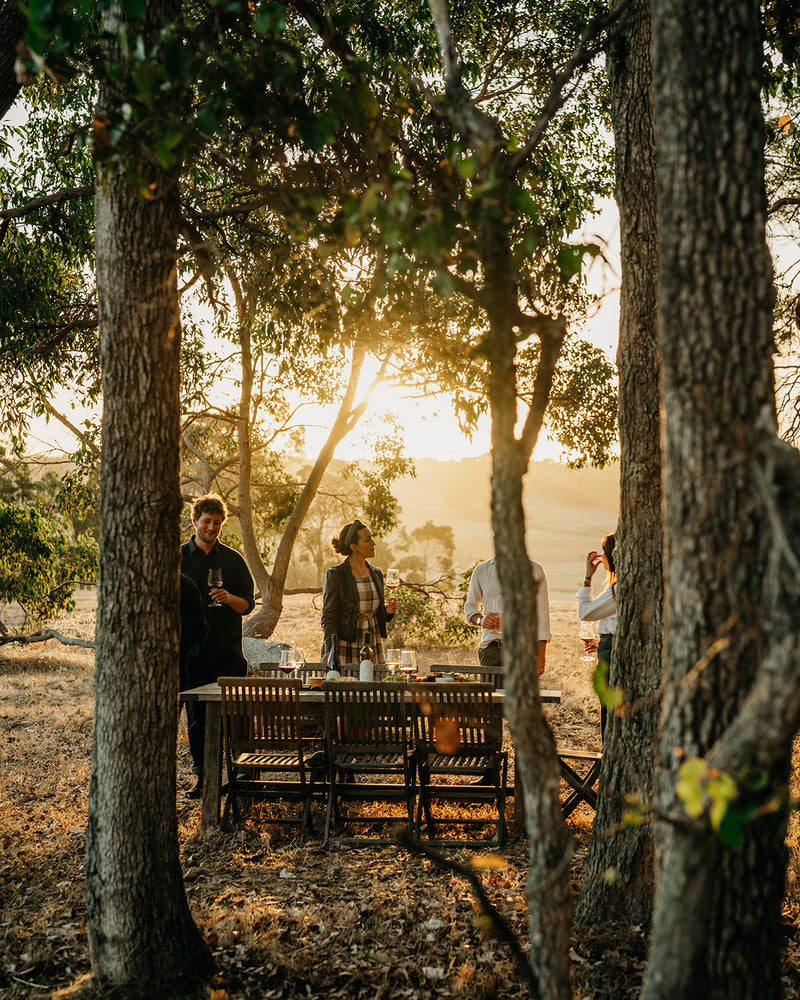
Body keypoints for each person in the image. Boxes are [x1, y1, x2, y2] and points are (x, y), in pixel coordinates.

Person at [181, 493, 255, 797]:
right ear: (195, 520)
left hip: (228, 652)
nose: (212, 527)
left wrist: (228, 599)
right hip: (192, 656)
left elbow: (248, 605)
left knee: (238, 715)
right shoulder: (178, 557)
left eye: (217, 523)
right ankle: (203, 776)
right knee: (197, 719)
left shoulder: (233, 560)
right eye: (207, 521)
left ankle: (243, 773)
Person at [321, 519, 398, 665]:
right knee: (345, 684)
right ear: (353, 546)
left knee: (374, 686)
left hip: (373, 644)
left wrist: (387, 611)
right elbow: (329, 615)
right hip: (345, 646)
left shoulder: (376, 573)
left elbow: (377, 613)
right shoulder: (336, 575)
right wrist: (330, 648)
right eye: (367, 540)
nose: (373, 543)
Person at [464, 556, 551, 674]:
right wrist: (481, 620)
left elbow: (542, 614)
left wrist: (541, 654)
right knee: (491, 692)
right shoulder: (482, 570)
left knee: (520, 693)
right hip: (491, 651)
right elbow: (470, 606)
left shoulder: (535, 570)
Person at [576, 531, 617, 738]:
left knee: (608, 709)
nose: (601, 558)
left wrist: (588, 577)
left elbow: (585, 613)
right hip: (609, 646)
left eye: (604, 553)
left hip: (611, 653)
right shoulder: (618, 587)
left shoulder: (618, 589)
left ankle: (609, 754)